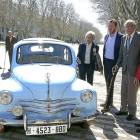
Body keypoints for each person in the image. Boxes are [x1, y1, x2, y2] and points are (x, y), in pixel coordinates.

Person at [112, 20, 140, 121]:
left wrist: (138, 75)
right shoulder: (123, 38)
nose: (127, 28)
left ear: (134, 26)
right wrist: (117, 65)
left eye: (129, 26)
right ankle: (123, 109)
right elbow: (121, 55)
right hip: (124, 70)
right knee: (124, 91)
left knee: (132, 93)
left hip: (134, 70)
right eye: (125, 27)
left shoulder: (139, 37)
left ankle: (132, 112)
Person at [101, 19, 123, 112]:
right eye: (109, 26)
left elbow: (121, 52)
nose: (110, 27)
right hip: (106, 62)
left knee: (110, 82)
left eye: (111, 26)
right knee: (107, 82)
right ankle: (109, 101)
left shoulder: (121, 37)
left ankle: (108, 104)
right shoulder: (106, 36)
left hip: (114, 63)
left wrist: (118, 64)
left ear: (116, 26)